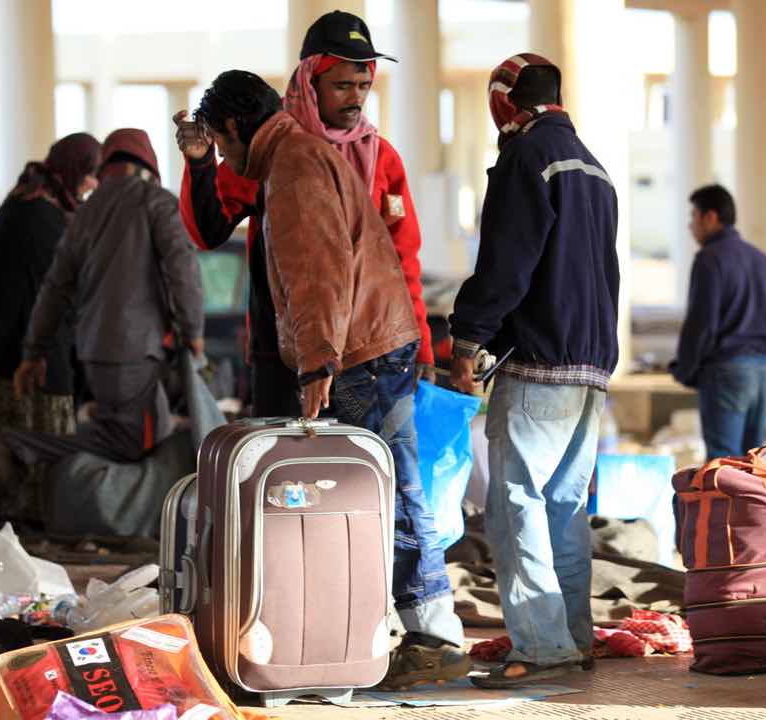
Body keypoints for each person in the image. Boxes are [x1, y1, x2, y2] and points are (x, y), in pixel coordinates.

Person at [194, 69, 467, 690]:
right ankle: (417, 627)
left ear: (236, 127)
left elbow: (317, 270)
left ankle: (430, 635)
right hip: (374, 340)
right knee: (389, 488)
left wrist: (316, 364)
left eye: (222, 145)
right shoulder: (302, 154)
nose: (227, 160)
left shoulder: (292, 167)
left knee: (382, 494)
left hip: (357, 352)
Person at [448, 54, 619, 688]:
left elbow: (507, 264)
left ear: (503, 103)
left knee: (517, 506)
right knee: (564, 509)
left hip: (540, 362)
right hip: (592, 366)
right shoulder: (595, 169)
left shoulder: (527, 159)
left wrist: (468, 336)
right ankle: (572, 638)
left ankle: (543, 647)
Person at [172, 10, 434, 417]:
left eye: (364, 85)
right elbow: (207, 232)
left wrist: (424, 348)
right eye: (342, 85)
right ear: (310, 82)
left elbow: (403, 260)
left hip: (365, 353)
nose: (356, 98)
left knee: (361, 473)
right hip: (284, 353)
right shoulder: (272, 149)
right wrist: (201, 165)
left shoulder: (381, 157)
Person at [8, 129, 204, 466]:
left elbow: (55, 287)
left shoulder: (85, 211)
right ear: (148, 163)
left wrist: (33, 351)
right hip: (135, 351)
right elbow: (181, 268)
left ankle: (127, 515)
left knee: (145, 436)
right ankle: (23, 446)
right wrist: (194, 330)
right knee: (131, 445)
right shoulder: (156, 201)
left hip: (94, 350)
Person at [0, 132, 101, 526]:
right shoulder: (41, 217)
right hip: (21, 361)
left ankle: (12, 529)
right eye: (90, 174)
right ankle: (29, 534)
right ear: (73, 170)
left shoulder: (24, 200)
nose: (92, 185)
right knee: (28, 456)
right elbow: (50, 298)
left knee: (2, 457)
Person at [670, 185, 766, 459]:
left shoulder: (709, 259)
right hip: (763, 372)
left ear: (711, 217)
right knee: (755, 464)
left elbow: (701, 323)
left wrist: (686, 369)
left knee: (724, 464)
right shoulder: (763, 260)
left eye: (693, 216)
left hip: (727, 371)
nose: (690, 225)